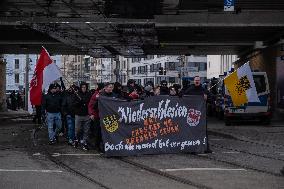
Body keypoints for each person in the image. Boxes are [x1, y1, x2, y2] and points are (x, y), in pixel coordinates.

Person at [183, 76, 212, 154]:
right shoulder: (189, 90)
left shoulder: (204, 90)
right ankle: (191, 147)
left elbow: (212, 99)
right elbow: (183, 98)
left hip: (202, 116)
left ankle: (206, 147)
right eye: (196, 80)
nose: (197, 82)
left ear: (200, 81)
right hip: (191, 114)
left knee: (203, 132)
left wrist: (207, 98)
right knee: (192, 131)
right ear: (194, 81)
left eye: (198, 80)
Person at [74, 82, 92, 150]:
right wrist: (79, 102)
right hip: (78, 115)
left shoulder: (89, 94)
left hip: (87, 115)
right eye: (82, 87)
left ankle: (84, 142)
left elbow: (91, 103)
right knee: (78, 129)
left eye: (85, 87)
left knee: (86, 130)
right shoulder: (77, 94)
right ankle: (76, 139)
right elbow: (73, 104)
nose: (84, 89)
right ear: (80, 88)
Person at [87, 83, 105, 151]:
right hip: (97, 116)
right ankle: (97, 145)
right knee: (97, 131)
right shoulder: (95, 95)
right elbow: (90, 105)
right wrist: (91, 114)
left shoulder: (105, 94)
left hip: (104, 116)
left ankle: (101, 145)